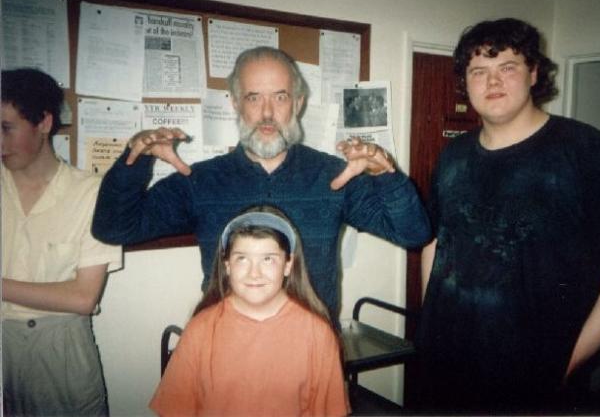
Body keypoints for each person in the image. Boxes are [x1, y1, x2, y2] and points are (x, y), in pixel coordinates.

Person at [416, 18, 600, 414]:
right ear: (466, 82)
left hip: (534, 380)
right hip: (446, 368)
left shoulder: (584, 150)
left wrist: (570, 362)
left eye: (507, 67)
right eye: (479, 71)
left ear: (533, 73)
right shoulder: (453, 156)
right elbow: (434, 242)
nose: (492, 81)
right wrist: (431, 325)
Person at [92, 46, 430, 317]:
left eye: (280, 97)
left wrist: (386, 176)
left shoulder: (335, 177)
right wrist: (135, 163)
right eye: (254, 97)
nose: (267, 113)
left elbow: (413, 235)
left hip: (312, 353)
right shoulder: (200, 181)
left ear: (297, 103)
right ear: (236, 103)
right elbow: (113, 228)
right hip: (227, 353)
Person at [149, 205, 348, 416]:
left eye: (268, 259)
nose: (254, 274)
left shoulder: (318, 334)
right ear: (227, 265)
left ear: (288, 264)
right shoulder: (200, 330)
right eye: (242, 258)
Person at [2, 68, 122, 416]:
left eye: (7, 128)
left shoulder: (91, 192)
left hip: (61, 354)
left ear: (43, 122)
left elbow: (83, 298)